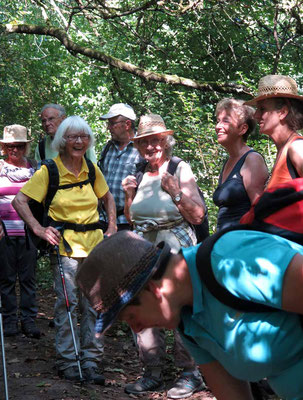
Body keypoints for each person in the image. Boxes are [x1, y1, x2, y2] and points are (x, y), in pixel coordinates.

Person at [77, 229, 303, 400]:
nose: (137, 329)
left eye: (131, 318)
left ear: (153, 291)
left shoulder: (229, 260)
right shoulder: (188, 321)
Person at [12, 116, 117, 384]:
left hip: (94, 247)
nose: (78, 142)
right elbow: (20, 200)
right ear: (62, 141)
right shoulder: (49, 170)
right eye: (72, 137)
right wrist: (38, 228)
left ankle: (91, 361)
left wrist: (112, 225)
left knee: (94, 304)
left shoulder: (92, 169)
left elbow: (107, 197)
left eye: (83, 137)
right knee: (67, 304)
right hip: (65, 248)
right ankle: (68, 361)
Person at [121, 114, 206, 398]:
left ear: (165, 142)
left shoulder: (180, 168)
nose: (151, 146)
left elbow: (197, 215)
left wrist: (175, 192)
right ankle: (152, 373)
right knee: (145, 307)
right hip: (146, 249)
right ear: (139, 145)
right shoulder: (139, 172)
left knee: (180, 309)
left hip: (177, 248)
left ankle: (190, 374)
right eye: (145, 141)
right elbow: (132, 219)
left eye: (156, 140)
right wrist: (129, 196)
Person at [0, 125, 40, 338]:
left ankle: (29, 321)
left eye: (18, 146)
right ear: (4, 147)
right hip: (3, 232)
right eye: (9, 146)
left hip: (28, 233)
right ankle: (9, 320)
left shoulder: (35, 169)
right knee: (6, 279)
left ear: (25, 147)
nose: (14, 150)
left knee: (28, 278)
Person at [213, 99, 269, 231]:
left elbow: (260, 210)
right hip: (225, 240)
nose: (218, 126)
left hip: (243, 241)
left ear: (243, 129)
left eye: (225, 121)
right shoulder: (228, 161)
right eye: (217, 121)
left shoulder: (252, 160)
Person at [246, 74, 303, 188]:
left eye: (262, 109)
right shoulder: (283, 150)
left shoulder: (296, 147)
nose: (256, 115)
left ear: (282, 112)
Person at [98, 103, 141, 231]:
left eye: (112, 124)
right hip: (103, 219)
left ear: (127, 124)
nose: (108, 128)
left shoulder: (142, 149)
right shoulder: (108, 148)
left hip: (127, 221)